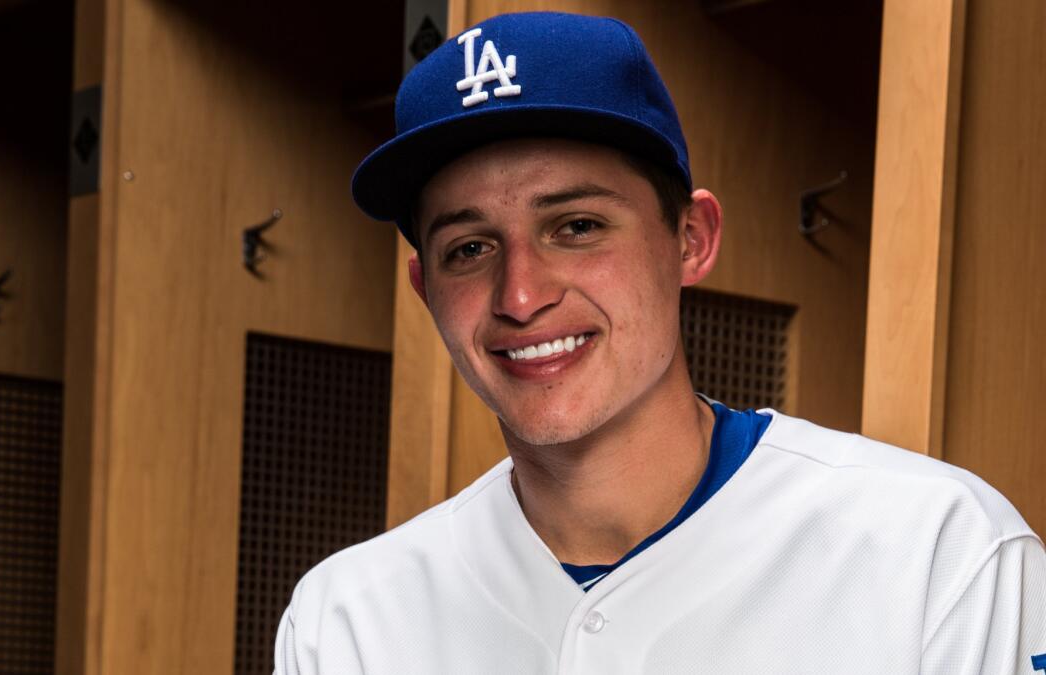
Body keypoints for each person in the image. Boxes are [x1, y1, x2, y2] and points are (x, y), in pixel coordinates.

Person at [275, 11, 1045, 674]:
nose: (521, 296)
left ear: (691, 239)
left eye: (576, 227)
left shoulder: (939, 553)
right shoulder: (347, 621)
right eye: (469, 248)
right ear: (425, 289)